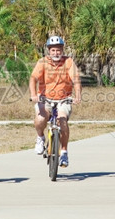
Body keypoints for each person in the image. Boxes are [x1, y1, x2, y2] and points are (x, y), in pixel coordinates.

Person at [29, 35, 81, 167]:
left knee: (62, 121)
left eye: (58, 50)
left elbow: (76, 80)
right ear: (48, 50)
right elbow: (33, 79)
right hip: (45, 98)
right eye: (53, 50)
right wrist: (34, 94)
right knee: (41, 119)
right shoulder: (42, 62)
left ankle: (64, 152)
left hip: (64, 99)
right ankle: (40, 138)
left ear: (62, 50)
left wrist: (78, 95)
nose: (56, 53)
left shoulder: (68, 62)